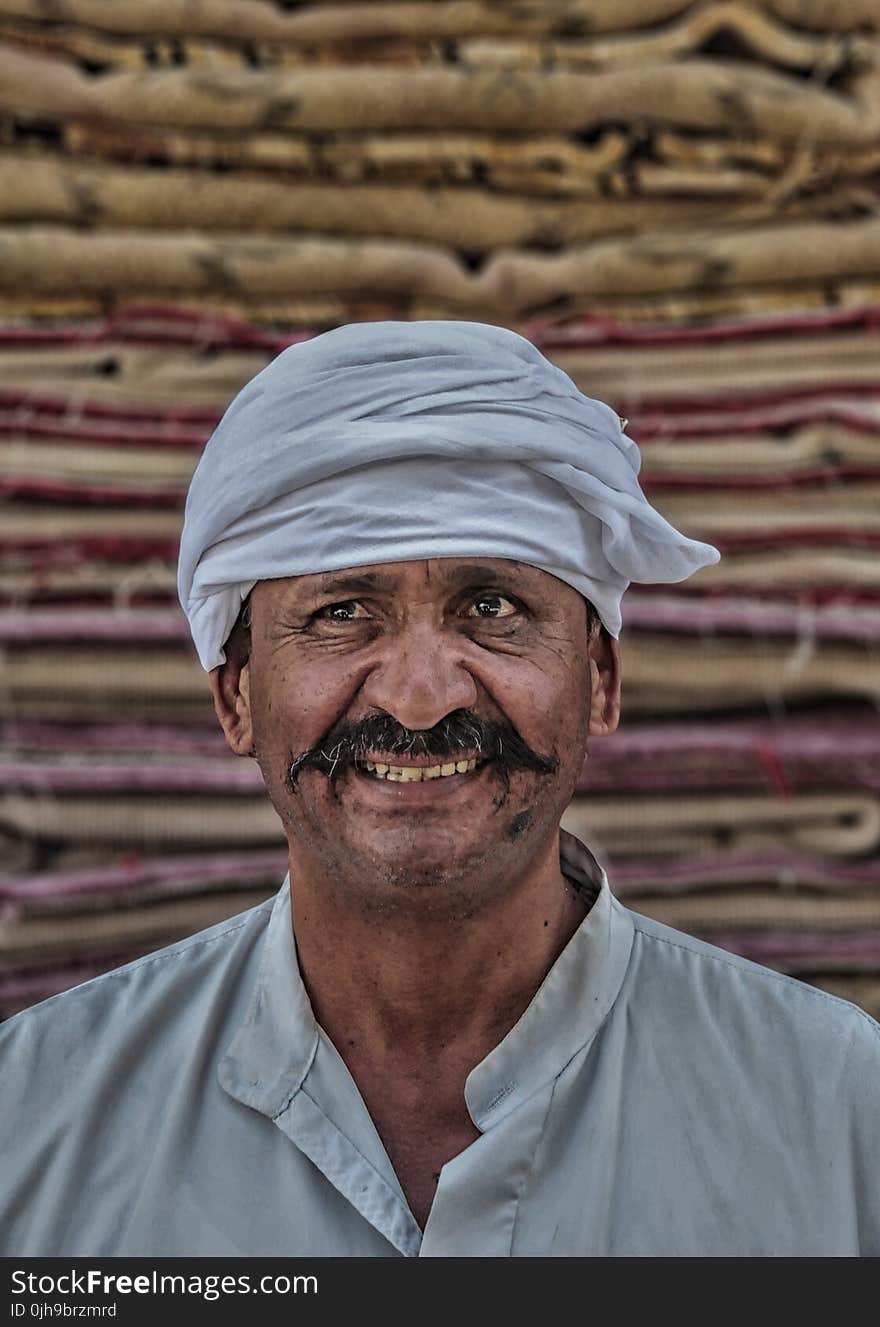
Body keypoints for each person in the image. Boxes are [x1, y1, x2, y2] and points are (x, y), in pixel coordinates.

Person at [1, 322, 877, 1257]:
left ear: (602, 678)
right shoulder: (31, 1121)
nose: (420, 700)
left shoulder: (838, 1113)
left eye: (492, 608)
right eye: (342, 614)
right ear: (236, 695)